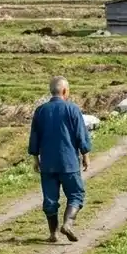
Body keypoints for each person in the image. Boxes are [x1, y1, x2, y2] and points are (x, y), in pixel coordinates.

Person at [29, 76, 92, 243]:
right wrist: (85, 155)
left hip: (48, 163)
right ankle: (68, 224)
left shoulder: (41, 111)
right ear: (65, 91)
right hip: (69, 161)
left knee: (50, 199)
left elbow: (34, 136)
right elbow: (81, 135)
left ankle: (53, 233)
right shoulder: (72, 109)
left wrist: (36, 158)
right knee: (76, 194)